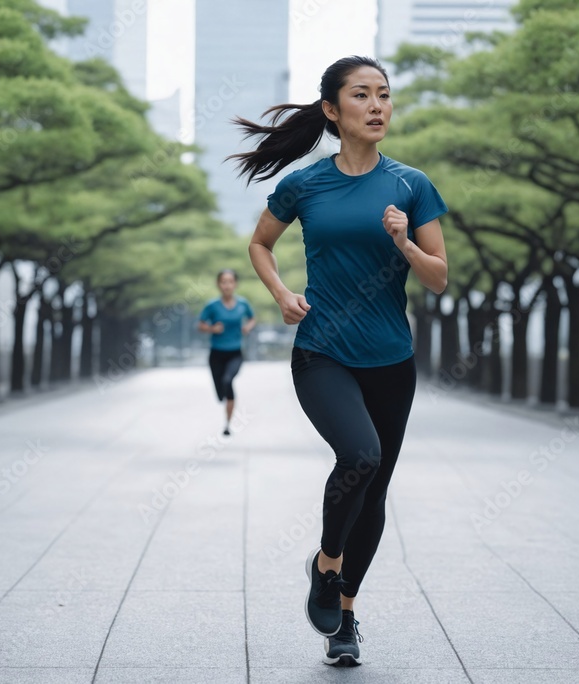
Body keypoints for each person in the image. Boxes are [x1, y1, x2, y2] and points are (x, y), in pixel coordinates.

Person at [230, 55, 448, 667]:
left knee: (372, 494)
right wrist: (280, 294)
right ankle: (327, 564)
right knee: (360, 456)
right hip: (323, 350)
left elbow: (438, 279)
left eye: (384, 94)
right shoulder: (305, 184)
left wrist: (404, 242)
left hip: (390, 358)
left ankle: (344, 616)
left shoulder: (412, 184)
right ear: (332, 110)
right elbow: (259, 243)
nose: (377, 105)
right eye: (362, 95)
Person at [198, 269, 256, 435]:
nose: (227, 285)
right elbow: (200, 325)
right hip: (216, 354)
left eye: (230, 281)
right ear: (219, 284)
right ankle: (222, 397)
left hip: (235, 353)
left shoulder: (243, 304)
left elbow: (252, 318)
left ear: (235, 284)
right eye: (224, 282)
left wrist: (247, 327)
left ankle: (227, 425)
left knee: (227, 380)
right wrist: (211, 328)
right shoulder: (212, 306)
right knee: (220, 393)